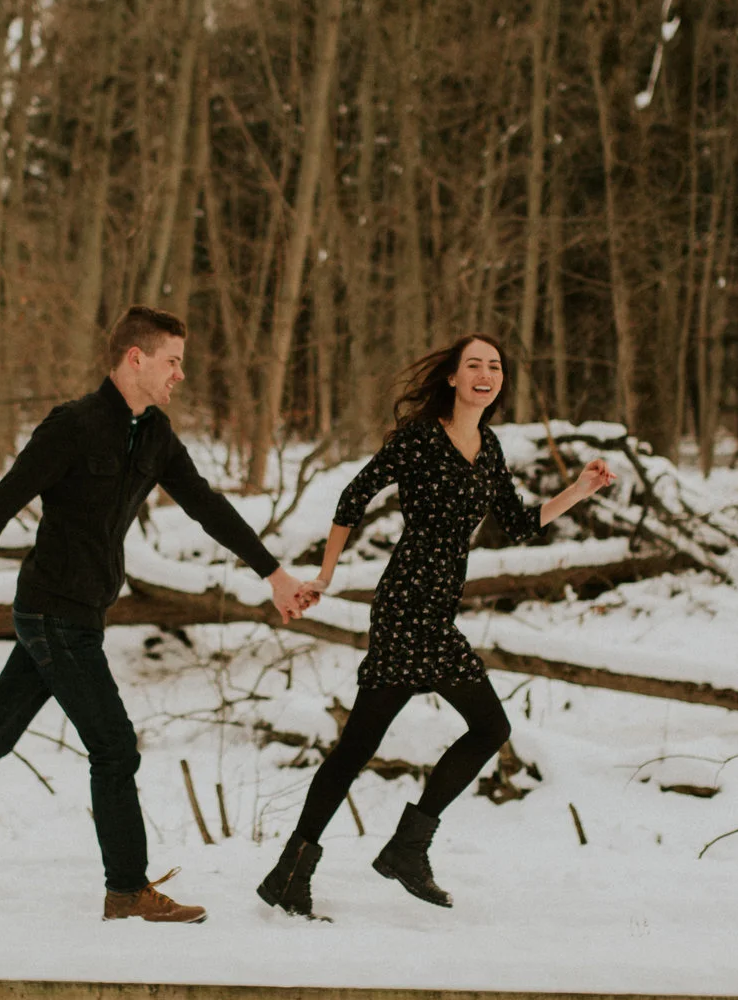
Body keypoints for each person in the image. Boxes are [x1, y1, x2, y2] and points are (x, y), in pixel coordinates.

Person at [0, 306, 316, 922]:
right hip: (53, 612)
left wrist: (274, 573)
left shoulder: (153, 436)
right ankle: (126, 890)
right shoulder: (74, 426)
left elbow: (207, 506)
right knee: (114, 746)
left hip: (82, 612)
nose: (181, 374)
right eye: (173, 361)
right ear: (137, 358)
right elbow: (5, 499)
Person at [257, 334, 613, 918]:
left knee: (359, 746)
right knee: (486, 726)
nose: (485, 373)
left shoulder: (490, 447)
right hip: (406, 608)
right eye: (473, 364)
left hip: (435, 608)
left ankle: (300, 869)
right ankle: (400, 849)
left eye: (494, 366)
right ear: (451, 377)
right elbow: (354, 496)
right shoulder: (420, 438)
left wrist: (579, 488)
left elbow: (521, 523)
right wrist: (325, 574)